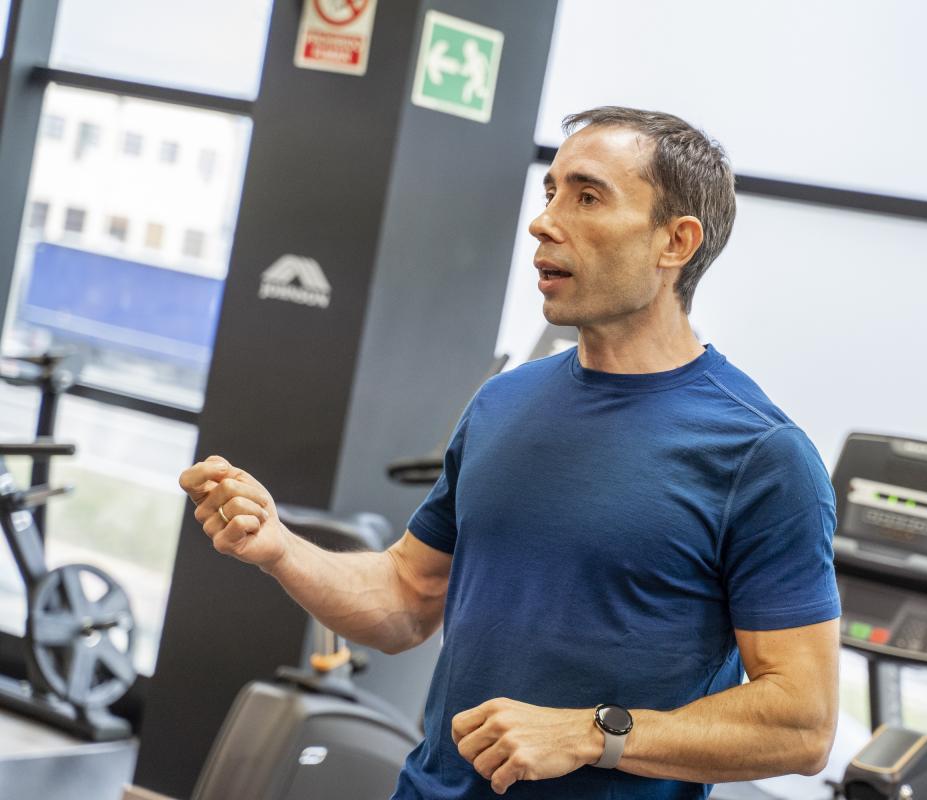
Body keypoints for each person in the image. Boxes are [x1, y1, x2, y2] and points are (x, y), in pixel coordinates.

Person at [180, 106, 840, 799]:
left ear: (675, 241)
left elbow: (802, 725)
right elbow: (406, 598)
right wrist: (281, 548)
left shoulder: (761, 456)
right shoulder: (503, 401)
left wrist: (596, 734)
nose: (544, 222)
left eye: (588, 197)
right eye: (550, 192)